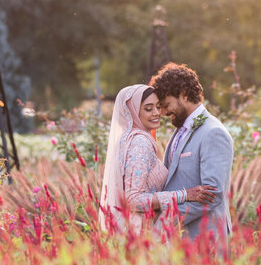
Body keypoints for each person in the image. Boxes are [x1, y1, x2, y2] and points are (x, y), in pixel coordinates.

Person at [99, 83, 216, 232]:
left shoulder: (133, 138)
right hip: (141, 232)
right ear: (132, 111)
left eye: (158, 106)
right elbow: (134, 200)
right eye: (148, 108)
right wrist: (184, 195)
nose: (157, 113)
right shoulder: (139, 142)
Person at [150, 62, 235, 243]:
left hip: (205, 238)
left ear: (183, 94)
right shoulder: (179, 130)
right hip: (180, 240)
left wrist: (163, 223)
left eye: (166, 105)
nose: (163, 112)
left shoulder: (213, 133)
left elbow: (212, 195)